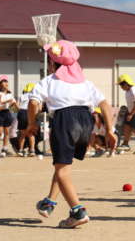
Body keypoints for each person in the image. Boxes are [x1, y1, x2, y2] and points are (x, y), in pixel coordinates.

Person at [29, 40, 116, 229]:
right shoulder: (86, 83)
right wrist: (109, 130)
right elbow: (105, 105)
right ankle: (49, 202)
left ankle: (77, 211)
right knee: (63, 165)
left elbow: (33, 103)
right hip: (86, 121)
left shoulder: (48, 81)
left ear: (53, 63)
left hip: (64, 120)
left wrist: (30, 124)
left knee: (62, 168)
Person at [0, 75, 17, 157]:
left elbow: (13, 103)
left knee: (7, 132)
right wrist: (8, 101)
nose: (5, 83)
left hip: (7, 113)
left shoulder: (10, 94)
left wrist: (15, 105)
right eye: (3, 81)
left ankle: (5, 148)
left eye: (6, 81)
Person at [116, 74, 135, 151]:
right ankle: (125, 144)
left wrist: (131, 114)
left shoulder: (133, 90)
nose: (121, 87)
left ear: (126, 83)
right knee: (126, 127)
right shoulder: (127, 91)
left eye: (121, 85)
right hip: (130, 112)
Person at [17, 83, 36, 157]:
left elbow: (17, 106)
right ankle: (32, 150)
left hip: (22, 112)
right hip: (30, 112)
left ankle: (21, 150)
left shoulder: (21, 96)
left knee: (22, 134)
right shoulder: (33, 96)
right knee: (30, 133)